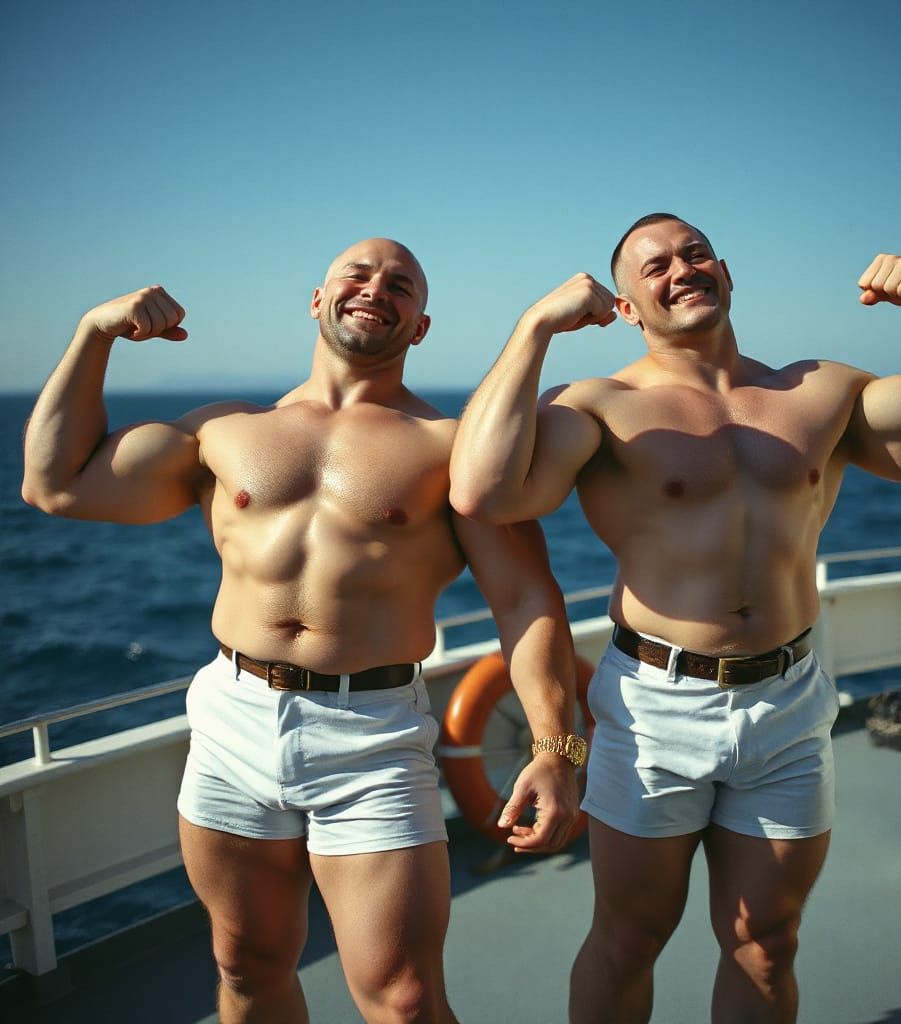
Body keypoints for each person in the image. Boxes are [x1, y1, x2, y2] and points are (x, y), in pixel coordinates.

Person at [449, 213, 901, 1023]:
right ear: (625, 307)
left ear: (725, 272)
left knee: (767, 944)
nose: (681, 269)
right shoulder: (600, 407)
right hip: (654, 708)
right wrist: (534, 327)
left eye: (695, 253)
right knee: (628, 937)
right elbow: (483, 491)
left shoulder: (822, 391)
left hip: (787, 701)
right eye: (655, 266)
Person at [21, 238, 584, 1024]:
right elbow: (55, 483)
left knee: (405, 998)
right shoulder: (226, 430)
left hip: (371, 738)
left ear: (420, 327)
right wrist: (94, 334)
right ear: (318, 300)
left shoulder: (452, 449)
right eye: (357, 275)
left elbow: (525, 600)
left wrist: (557, 749)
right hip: (233, 720)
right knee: (246, 968)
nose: (376, 289)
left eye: (401, 286)